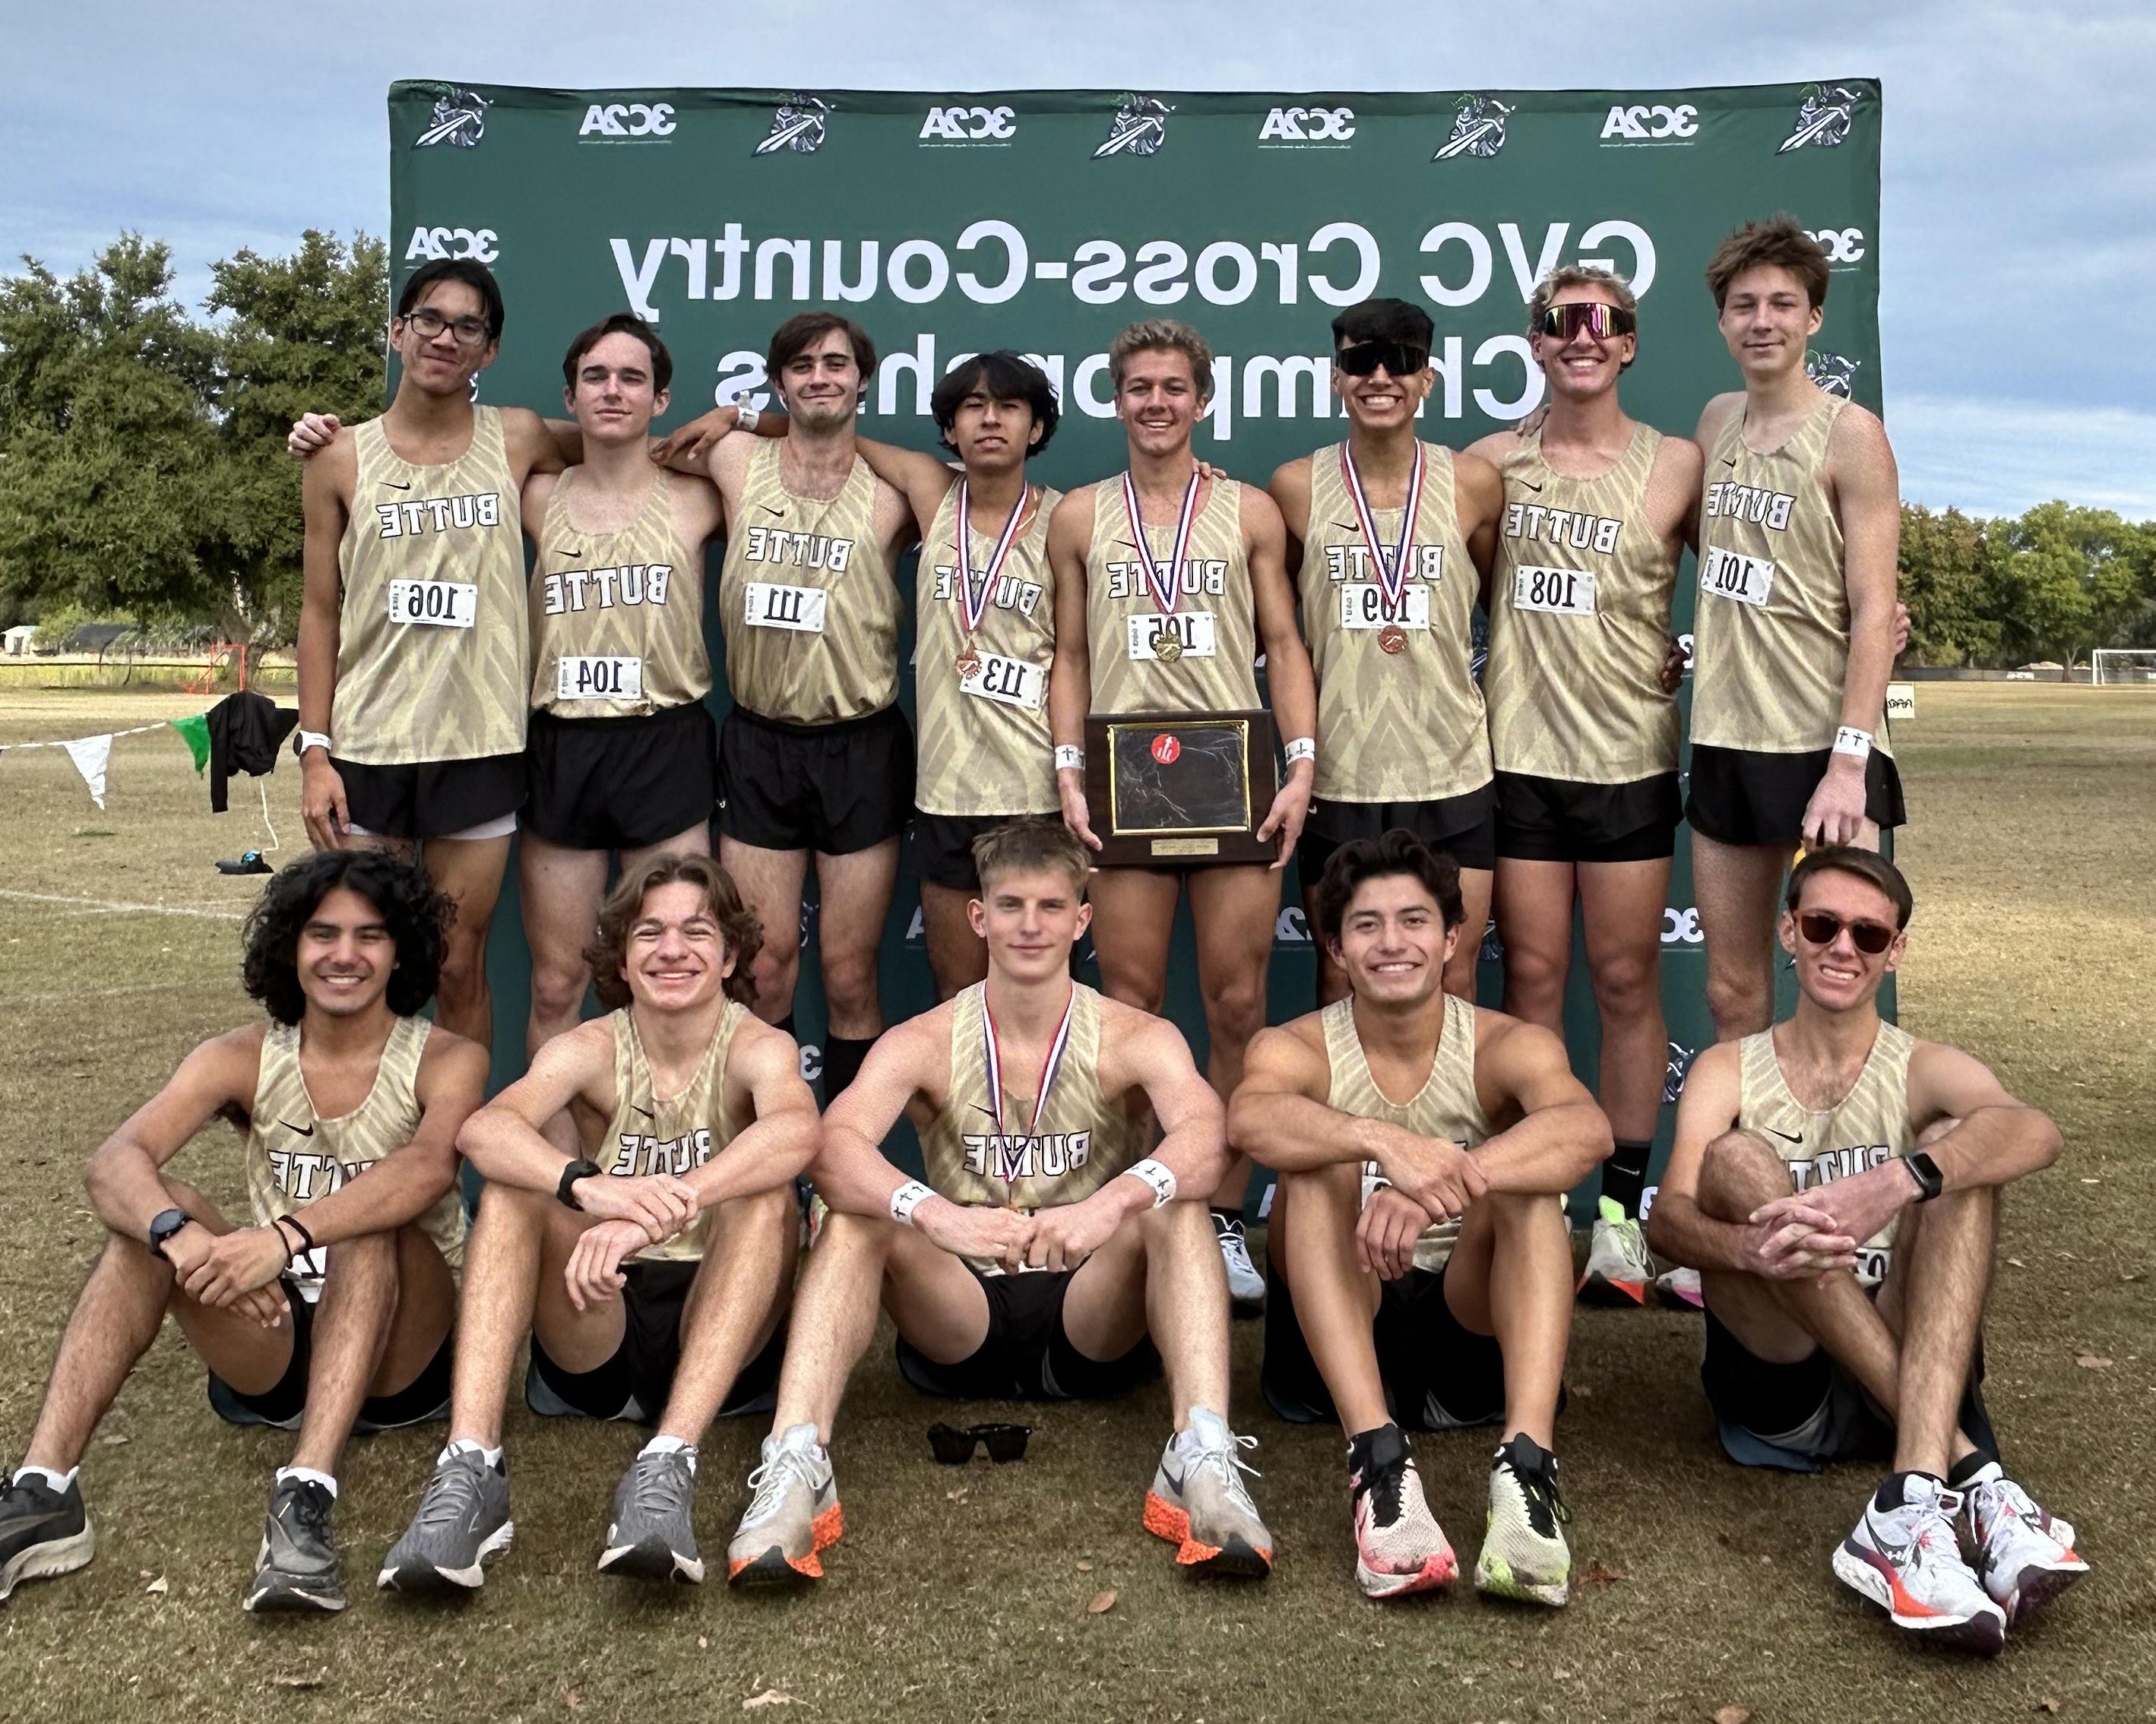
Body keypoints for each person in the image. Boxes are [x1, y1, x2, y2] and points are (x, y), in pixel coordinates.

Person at [722, 820, 1274, 1587]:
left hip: (1092, 1306)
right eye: (1009, 905)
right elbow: (833, 1145)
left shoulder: (1129, 1034)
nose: (1029, 925)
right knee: (857, 1217)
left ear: (1082, 919)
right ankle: (794, 1465)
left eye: (1051, 906)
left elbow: (1207, 1135)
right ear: (976, 916)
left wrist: (1109, 1203)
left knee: (1171, 1205)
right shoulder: (925, 1038)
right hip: (961, 1306)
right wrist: (934, 1212)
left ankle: (1202, 1455)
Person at [0, 853, 483, 1615]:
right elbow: (114, 1162)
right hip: (273, 1326)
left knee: (370, 1217)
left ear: (401, 950)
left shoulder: (447, 1057)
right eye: (322, 933)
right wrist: (179, 1238)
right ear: (291, 946)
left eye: (370, 935)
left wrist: (285, 1235)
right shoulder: (241, 1054)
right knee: (153, 1216)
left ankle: (306, 1500)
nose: (345, 955)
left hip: (401, 1348)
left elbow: (426, 1169)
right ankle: (43, 1491)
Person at [1647, 847, 2084, 1654]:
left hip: (1917, 1355)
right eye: (1820, 924)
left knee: (1959, 1149)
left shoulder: (1919, 1064)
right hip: (1784, 1367)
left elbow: (2037, 1132)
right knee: (1736, 1163)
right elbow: (1665, 1222)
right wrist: (1748, 1246)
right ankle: (1964, 1473)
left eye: (1867, 933)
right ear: (1787, 930)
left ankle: (1910, 1495)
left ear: (1894, 950)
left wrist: (1896, 1180)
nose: (1841, 946)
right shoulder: (1726, 1067)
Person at [291, 315, 726, 1115]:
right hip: (557, 742)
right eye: (595, 376)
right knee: (558, 981)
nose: (613, 391)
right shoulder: (532, 492)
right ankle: (553, 1183)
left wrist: (737, 417)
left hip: (665, 742)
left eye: (633, 378)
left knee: (668, 977)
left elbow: (804, 463)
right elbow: (416, 493)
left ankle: (664, 1167)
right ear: (569, 395)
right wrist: (325, 436)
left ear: (662, 397)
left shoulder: (703, 497)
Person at [377, 854, 819, 1591]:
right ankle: (470, 1466)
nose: (671, 950)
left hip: (718, 1319)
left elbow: (796, 1134)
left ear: (731, 953)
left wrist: (665, 1203)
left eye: (695, 932)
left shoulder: (756, 1044)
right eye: (648, 932)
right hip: (599, 1314)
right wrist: (590, 1188)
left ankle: (666, 1464)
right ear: (621, 953)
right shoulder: (590, 1045)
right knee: (518, 1191)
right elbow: (485, 1131)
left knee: (766, 1196)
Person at [1230, 830, 1611, 1604]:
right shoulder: (1298, 1044)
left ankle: (1526, 1470)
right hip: (1344, 1319)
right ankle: (1376, 1461)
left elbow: (1584, 1131)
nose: (1391, 941)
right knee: (1316, 1161)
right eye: (1365, 925)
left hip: (1467, 1322)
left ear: (1449, 940)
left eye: (1412, 920)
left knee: (1528, 1178)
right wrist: (1379, 1140)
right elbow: (1248, 1121)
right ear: (1334, 949)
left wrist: (1444, 1181)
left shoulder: (1505, 1043)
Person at [1049, 318, 1319, 1311]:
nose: (1155, 403)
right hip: (1123, 781)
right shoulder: (1079, 517)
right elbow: (1069, 656)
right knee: (1129, 1005)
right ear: (1115, 400)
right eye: (1138, 388)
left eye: (1172, 388)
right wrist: (1068, 770)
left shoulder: (1248, 510)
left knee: (1238, 1004)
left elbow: (1285, 644)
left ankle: (1220, 1211)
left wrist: (1300, 766)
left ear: (1200, 400)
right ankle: (1126, 1208)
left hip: (1232, 775)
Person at [657, 352, 1065, 1001]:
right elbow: (828, 433)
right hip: (942, 788)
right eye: (972, 408)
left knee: (1021, 991)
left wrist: (1072, 770)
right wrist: (741, 416)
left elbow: (1074, 658)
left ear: (1036, 428)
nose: (990, 420)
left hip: (1036, 783)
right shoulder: (931, 490)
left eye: (1010, 408)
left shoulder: (1068, 519)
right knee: (951, 992)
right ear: (950, 429)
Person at [1463, 268, 1701, 1306]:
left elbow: (1759, 579)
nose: (1582, 339)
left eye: (1603, 323)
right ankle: (1540, 1202)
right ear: (1534, 342)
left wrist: (1686, 647)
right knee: (1530, 983)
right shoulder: (1485, 465)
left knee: (1622, 982)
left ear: (1632, 343)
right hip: (1516, 758)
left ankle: (1614, 1217)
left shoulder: (1678, 463)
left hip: (1628, 763)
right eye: (1562, 323)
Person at [295, 257, 563, 1049]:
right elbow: (318, 610)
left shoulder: (515, 436)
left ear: (489, 351)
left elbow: (614, 446)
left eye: (468, 326)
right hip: (368, 746)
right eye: (430, 320)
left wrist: (738, 425)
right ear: (397, 332)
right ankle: (362, 1144)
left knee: (454, 962)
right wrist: (315, 751)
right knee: (360, 960)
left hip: (478, 741)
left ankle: (452, 1153)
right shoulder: (338, 456)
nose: (446, 337)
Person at [679, 312, 915, 1107]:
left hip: (860, 744)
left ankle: (848, 1173)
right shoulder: (736, 457)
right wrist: (741, 419)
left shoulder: (893, 488)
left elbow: (981, 487)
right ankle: (766, 1173)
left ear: (861, 381)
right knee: (764, 966)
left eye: (837, 365)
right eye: (803, 365)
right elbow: (613, 444)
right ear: (779, 382)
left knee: (849, 974)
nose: (821, 377)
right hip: (759, 742)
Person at [1686, 217, 1904, 1044]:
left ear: (1813, 318)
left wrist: (1847, 765)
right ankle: (1748, 1167)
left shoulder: (1850, 434)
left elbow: (1874, 607)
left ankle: (1845, 1171)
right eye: (1743, 305)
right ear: (1720, 320)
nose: (1762, 320)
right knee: (1731, 991)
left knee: (1839, 982)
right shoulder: (1712, 424)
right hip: (1728, 739)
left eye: (1782, 303)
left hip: (1827, 748)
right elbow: (1710, 556)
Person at [1268, 297, 1505, 1008]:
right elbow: (1276, 633)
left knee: (1454, 974)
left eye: (1400, 360)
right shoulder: (1293, 488)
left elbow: (1505, 608)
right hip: (1341, 775)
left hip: (1451, 770)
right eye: (1358, 361)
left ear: (1426, 378)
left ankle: (1446, 1125)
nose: (1380, 376)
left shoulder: (1471, 483)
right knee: (1341, 975)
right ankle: (1344, 1126)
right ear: (1336, 376)